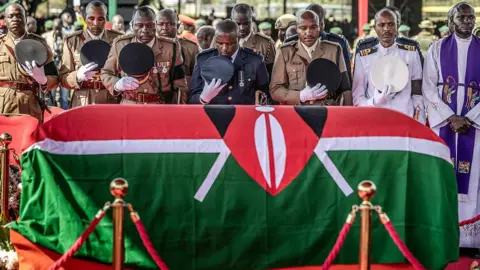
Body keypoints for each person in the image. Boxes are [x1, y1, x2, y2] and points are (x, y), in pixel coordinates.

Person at [422, 2, 480, 248]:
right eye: (462, 17)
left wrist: (470, 118)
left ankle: (473, 239)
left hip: (474, 127)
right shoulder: (436, 49)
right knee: (442, 176)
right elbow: (428, 87)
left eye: (471, 17)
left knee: (474, 179)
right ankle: (443, 235)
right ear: (451, 21)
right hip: (444, 125)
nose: (467, 21)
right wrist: (450, 117)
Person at [101, 7, 187, 104]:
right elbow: (106, 73)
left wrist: (180, 111)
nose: (145, 30)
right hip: (130, 106)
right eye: (139, 25)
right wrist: (117, 84)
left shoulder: (171, 48)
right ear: (132, 25)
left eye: (150, 25)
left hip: (160, 107)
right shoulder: (121, 45)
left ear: (155, 25)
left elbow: (180, 85)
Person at [352, 8, 425, 123]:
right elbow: (357, 97)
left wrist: (419, 120)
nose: (386, 29)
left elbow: (417, 92)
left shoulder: (410, 52)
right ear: (375, 28)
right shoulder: (364, 55)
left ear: (397, 26)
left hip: (405, 117)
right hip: (375, 118)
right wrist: (374, 102)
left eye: (391, 24)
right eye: (382, 25)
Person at [270, 10, 351, 106]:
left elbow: (345, 90)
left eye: (313, 27)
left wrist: (347, 116)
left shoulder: (334, 50)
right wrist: (300, 96)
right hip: (296, 112)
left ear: (319, 28)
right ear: (296, 29)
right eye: (303, 28)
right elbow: (275, 90)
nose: (308, 32)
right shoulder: (285, 52)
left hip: (327, 112)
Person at [59, 1, 123, 108]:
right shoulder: (72, 41)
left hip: (111, 100)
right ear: (85, 18)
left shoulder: (118, 40)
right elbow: (62, 78)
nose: (96, 23)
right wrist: (77, 76)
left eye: (100, 18)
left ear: (106, 18)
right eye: (91, 18)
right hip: (83, 101)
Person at [0, 3, 58, 120]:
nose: (15, 19)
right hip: (3, 105)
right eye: (11, 16)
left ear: (25, 19)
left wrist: (44, 80)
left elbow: (55, 78)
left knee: (29, 137)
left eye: (19, 15)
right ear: (5, 20)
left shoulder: (40, 44)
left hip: (29, 105)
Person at [189, 20, 269, 105]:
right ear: (215, 39)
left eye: (229, 44)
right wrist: (203, 98)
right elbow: (192, 98)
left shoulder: (254, 60)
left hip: (244, 115)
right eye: (220, 43)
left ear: (238, 38)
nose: (224, 48)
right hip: (212, 114)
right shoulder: (203, 59)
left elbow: (265, 93)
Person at [284, 4, 352, 85]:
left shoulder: (338, 42)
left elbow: (347, 75)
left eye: (319, 23)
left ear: (324, 22)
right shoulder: (291, 43)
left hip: (330, 93)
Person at [156, 9, 199, 89]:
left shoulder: (191, 48)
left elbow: (196, 77)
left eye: (170, 24)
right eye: (161, 24)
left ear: (178, 26)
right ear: (155, 25)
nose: (165, 28)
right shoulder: (150, 47)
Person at [229, 4, 275, 74]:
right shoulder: (221, 41)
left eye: (246, 24)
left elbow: (272, 72)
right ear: (231, 21)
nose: (242, 28)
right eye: (237, 24)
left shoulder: (265, 43)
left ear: (252, 20)